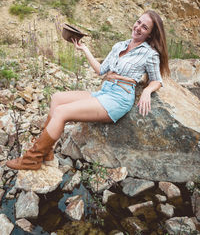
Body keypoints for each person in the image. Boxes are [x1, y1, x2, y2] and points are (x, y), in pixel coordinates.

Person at [6, 10, 170, 170]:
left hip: (118, 99)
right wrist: (84, 49)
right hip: (104, 92)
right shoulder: (120, 45)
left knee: (62, 112)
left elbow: (157, 80)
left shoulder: (150, 54)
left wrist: (147, 91)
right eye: (138, 22)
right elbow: (101, 70)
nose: (138, 27)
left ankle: (31, 159)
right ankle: (47, 152)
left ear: (150, 34)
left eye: (144, 27)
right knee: (57, 98)